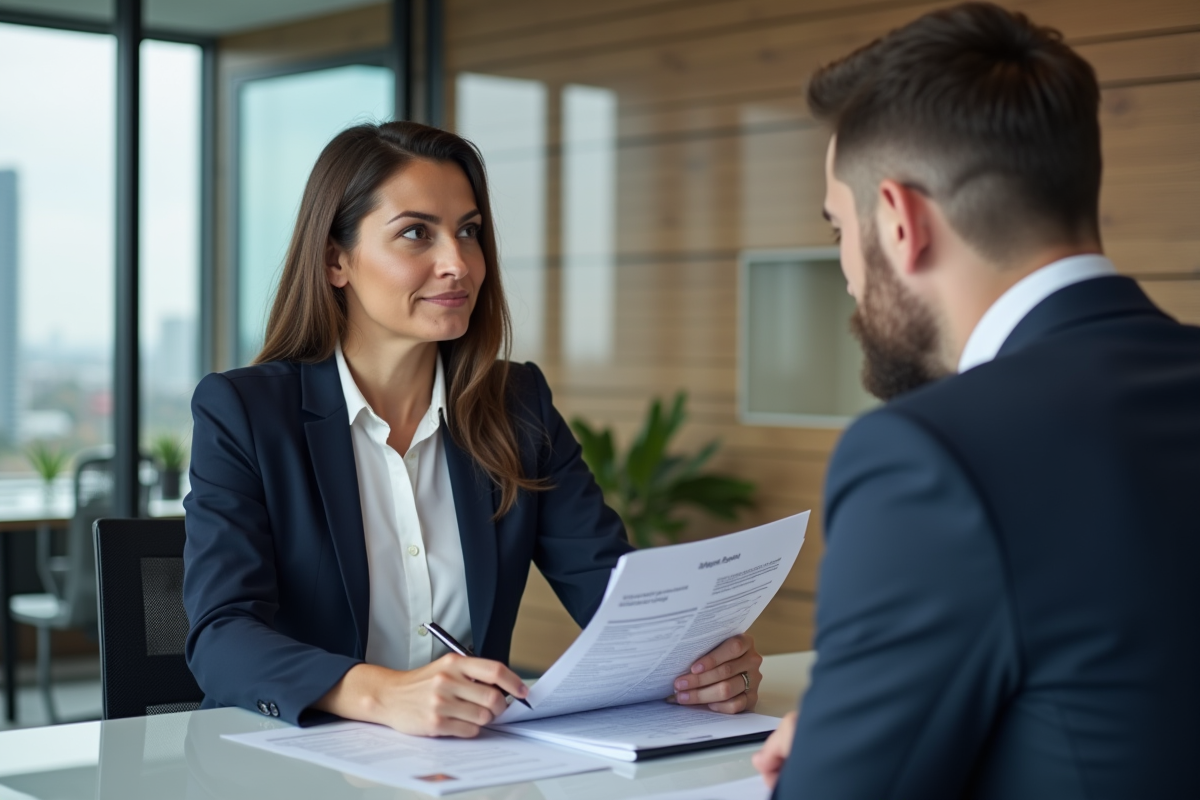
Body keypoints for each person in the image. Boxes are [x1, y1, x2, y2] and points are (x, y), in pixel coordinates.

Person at [183, 121, 763, 736]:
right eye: (415, 234)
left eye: (469, 232)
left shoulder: (519, 406)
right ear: (335, 260)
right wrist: (383, 694)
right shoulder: (244, 413)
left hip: (465, 769)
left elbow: (615, 597)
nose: (457, 264)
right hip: (288, 766)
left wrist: (701, 665)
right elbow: (221, 637)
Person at [752, 3, 1200, 797]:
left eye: (837, 235)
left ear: (899, 221)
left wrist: (840, 745)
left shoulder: (929, 458)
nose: (848, 280)